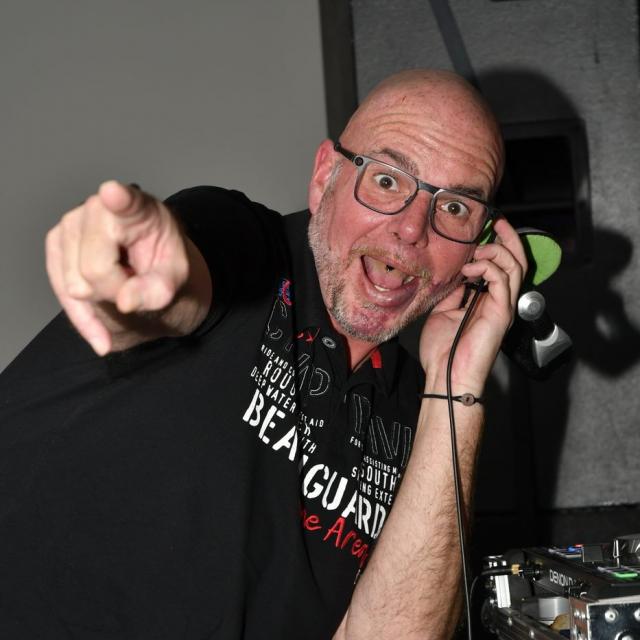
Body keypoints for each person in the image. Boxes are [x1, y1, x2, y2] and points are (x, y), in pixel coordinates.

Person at [0, 69, 526, 639]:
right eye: (387, 179)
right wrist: (136, 280)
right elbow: (178, 291)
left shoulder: (412, 411)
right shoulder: (245, 246)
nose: (412, 229)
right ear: (324, 177)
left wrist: (454, 384)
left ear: (478, 248)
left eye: (455, 208)